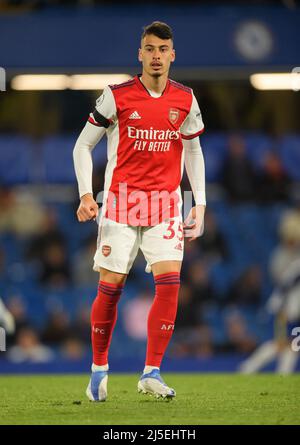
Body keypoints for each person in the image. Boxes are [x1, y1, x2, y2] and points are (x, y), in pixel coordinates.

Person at [73, 21, 206, 402]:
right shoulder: (117, 96)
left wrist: (200, 201)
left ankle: (151, 371)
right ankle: (99, 368)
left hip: (166, 204)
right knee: (111, 289)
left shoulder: (186, 99)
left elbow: (193, 150)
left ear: (173, 55)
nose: (157, 56)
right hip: (120, 202)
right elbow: (83, 146)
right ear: (140, 54)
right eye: (150, 49)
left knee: (170, 285)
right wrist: (86, 194)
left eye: (163, 49)